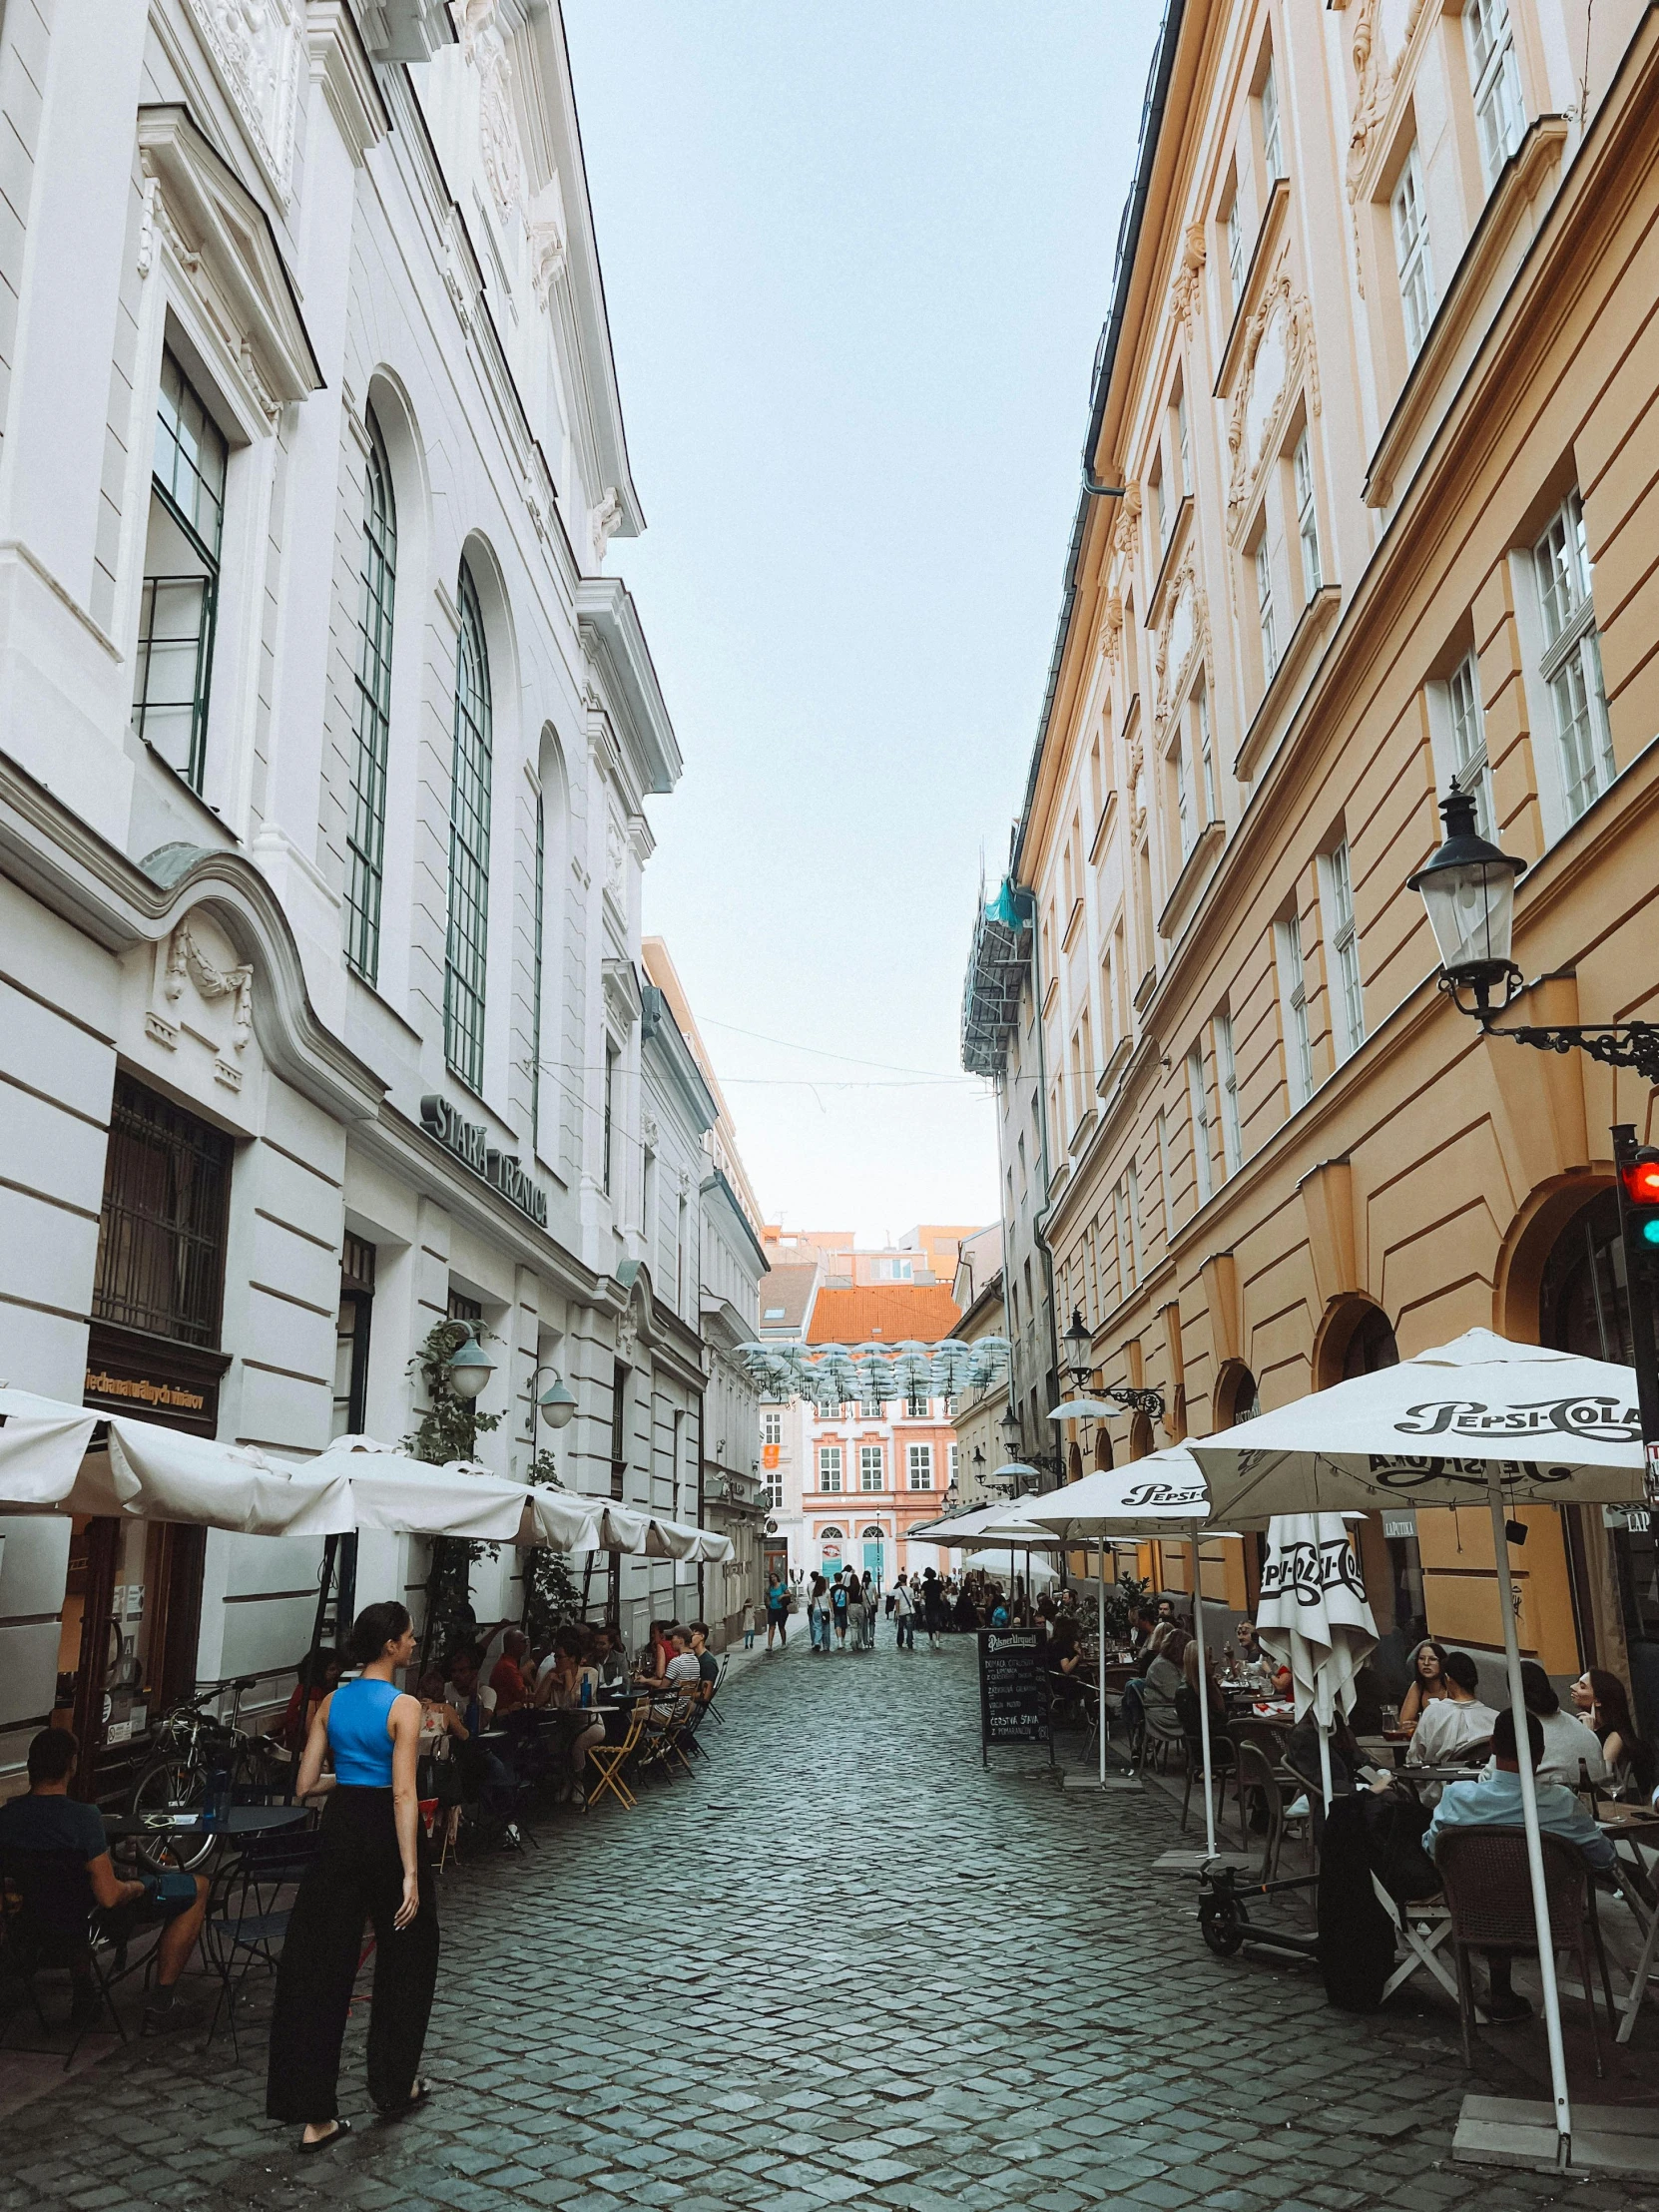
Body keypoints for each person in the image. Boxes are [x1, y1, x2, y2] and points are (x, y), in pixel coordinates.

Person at [267, 1600, 438, 2149]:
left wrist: (346, 1779)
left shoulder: (332, 1702)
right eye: (409, 1638)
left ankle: (314, 2114)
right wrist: (412, 1873)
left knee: (318, 1966)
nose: (413, 1644)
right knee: (407, 1959)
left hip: (340, 1831)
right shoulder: (404, 1706)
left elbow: (303, 1785)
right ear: (391, 1645)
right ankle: (393, 2084)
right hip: (387, 1834)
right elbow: (404, 1792)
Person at [0, 1728, 210, 2034]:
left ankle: (84, 1990)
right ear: (71, 1765)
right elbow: (109, 1897)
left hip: (32, 1924)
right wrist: (139, 1885)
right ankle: (163, 2002)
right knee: (199, 1886)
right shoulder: (83, 1818)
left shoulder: (7, 1818)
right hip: (87, 1923)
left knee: (64, 1900)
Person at [1428, 1706, 1615, 2021]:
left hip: (1476, 1918)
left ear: (1492, 1746)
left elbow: (1433, 1848)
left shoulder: (1457, 1799)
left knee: (1495, 1886)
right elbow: (1605, 1858)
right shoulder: (1562, 1804)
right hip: (1550, 1920)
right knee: (1521, 1886)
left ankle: (1499, 1992)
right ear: (1541, 1753)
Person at [1405, 1649, 1495, 1774]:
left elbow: (1415, 1757)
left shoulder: (1433, 1712)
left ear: (1447, 1678)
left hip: (1441, 1784)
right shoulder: (1495, 1717)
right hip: (1483, 1784)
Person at [1518, 1660, 1606, 1788]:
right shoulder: (1586, 1733)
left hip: (1545, 1804)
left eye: (1582, 1686)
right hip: (1587, 1804)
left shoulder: (1524, 1734)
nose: (1572, 1686)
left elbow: (1492, 1778)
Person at [1572, 1667, 1657, 1799]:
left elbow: (1602, 1778)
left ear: (1598, 1701)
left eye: (1582, 1687)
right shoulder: (1580, 1726)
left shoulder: (1615, 1736)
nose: (1573, 1687)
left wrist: (1588, 1736)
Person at [277, 1649, 342, 1758]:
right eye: (332, 1669)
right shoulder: (311, 1694)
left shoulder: (308, 1689)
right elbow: (312, 1733)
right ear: (319, 1672)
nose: (337, 1673)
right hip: (305, 1752)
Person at [1398, 1639, 1452, 1733]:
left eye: (1432, 1659)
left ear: (1442, 1662)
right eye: (1421, 1658)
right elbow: (1404, 1724)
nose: (1426, 1663)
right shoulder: (1417, 1686)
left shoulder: (1452, 1686)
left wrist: (1420, 1725)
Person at [488, 1630, 532, 1716]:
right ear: (514, 1646)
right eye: (523, 1642)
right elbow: (523, 1695)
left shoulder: (505, 1662)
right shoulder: (508, 1667)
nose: (526, 1645)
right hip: (508, 1717)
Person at [689, 1623, 720, 1704]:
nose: (688, 1639)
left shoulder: (708, 1662)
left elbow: (705, 1695)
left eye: (691, 1635)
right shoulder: (695, 1657)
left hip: (695, 1705)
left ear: (702, 1636)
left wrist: (683, 1695)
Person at [766, 1572, 791, 1652]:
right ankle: (769, 1645)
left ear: (777, 1577)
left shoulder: (782, 1585)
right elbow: (768, 1596)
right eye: (772, 1577)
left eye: (774, 1577)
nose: (773, 1579)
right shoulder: (770, 1588)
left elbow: (789, 1594)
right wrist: (768, 1602)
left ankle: (783, 1642)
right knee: (771, 1626)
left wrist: (782, 1596)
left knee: (781, 1626)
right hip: (772, 1609)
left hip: (781, 1609)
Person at [891, 1573, 915, 1652]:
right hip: (908, 1611)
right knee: (909, 1628)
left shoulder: (898, 1590)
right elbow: (913, 1600)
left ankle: (900, 1642)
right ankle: (910, 1642)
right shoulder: (910, 1589)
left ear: (899, 1580)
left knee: (900, 1628)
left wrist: (897, 1613)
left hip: (901, 1611)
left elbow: (897, 1602)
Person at [808, 1576, 830, 1654]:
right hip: (825, 1610)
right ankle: (826, 1645)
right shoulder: (827, 1591)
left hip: (816, 1610)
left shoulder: (814, 1591)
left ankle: (817, 1642)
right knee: (826, 1628)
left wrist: (813, 1610)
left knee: (817, 1627)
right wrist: (832, 1612)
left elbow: (813, 1603)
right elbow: (830, 1602)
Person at [843, 1575, 866, 1653]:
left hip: (851, 1607)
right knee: (860, 1626)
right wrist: (865, 1608)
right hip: (860, 1607)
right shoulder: (861, 1588)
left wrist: (847, 1609)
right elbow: (863, 1599)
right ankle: (859, 1642)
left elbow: (847, 1599)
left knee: (853, 1626)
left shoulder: (848, 1589)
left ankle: (853, 1640)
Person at [830, 1574, 850, 1650]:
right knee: (844, 1626)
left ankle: (839, 1642)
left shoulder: (832, 1589)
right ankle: (843, 1640)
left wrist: (832, 1611)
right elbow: (848, 1599)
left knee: (837, 1625)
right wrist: (847, 1608)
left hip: (836, 1609)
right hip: (844, 1609)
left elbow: (831, 1601)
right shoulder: (845, 1588)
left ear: (835, 1579)